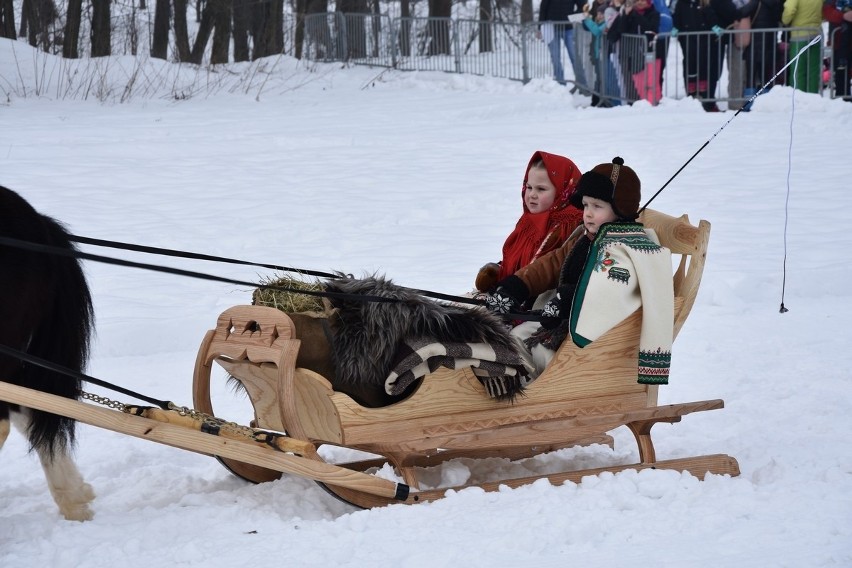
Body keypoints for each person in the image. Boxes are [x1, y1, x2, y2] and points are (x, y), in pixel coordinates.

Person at [484, 157, 674, 384]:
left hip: (593, 334)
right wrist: (515, 286)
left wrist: (566, 299)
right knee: (512, 336)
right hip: (566, 320)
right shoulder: (587, 237)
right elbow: (553, 263)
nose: (588, 214)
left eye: (597, 206)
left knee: (522, 342)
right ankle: (515, 386)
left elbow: (609, 287)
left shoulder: (627, 248)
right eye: (585, 205)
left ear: (620, 210)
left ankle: (529, 392)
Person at [475, 151, 583, 300]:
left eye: (541, 189)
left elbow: (551, 267)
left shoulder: (568, 224)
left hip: (541, 302)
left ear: (563, 191)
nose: (531, 194)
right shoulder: (528, 221)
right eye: (529, 187)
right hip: (509, 293)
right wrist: (498, 272)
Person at [672, 0, 724, 110]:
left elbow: (710, 16)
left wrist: (714, 26)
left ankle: (705, 97)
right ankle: (691, 94)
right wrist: (676, 28)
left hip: (704, 41)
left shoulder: (703, 3)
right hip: (688, 40)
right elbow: (677, 17)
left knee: (703, 66)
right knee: (690, 65)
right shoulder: (681, 3)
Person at [608, 0, 662, 102]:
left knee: (651, 82)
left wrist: (636, 15)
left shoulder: (654, 13)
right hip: (632, 54)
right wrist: (626, 16)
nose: (640, 3)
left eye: (643, 0)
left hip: (650, 52)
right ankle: (636, 106)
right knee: (635, 85)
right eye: (637, 1)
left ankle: (653, 104)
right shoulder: (628, 13)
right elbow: (620, 31)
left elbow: (650, 28)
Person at [540, 0, 590, 89]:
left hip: (568, 28)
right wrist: (540, 27)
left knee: (574, 56)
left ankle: (582, 85)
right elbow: (543, 8)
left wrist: (573, 17)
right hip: (551, 28)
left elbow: (584, 5)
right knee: (555, 57)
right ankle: (560, 85)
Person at [782, 0, 824, 93]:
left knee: (798, 71)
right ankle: (813, 97)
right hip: (816, 34)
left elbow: (790, 9)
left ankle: (798, 98)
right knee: (813, 71)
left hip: (799, 35)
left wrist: (785, 20)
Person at [824, 0, 852, 99]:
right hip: (838, 41)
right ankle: (843, 99)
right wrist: (843, 16)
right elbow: (827, 11)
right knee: (841, 72)